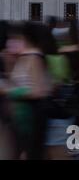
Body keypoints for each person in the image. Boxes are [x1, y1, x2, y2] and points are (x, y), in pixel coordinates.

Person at [0, 22, 52, 160]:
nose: (10, 42)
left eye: (14, 38)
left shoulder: (34, 58)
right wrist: (9, 63)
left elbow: (38, 91)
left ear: (24, 38)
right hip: (19, 115)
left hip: (31, 116)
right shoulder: (22, 58)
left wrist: (8, 92)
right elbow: (15, 82)